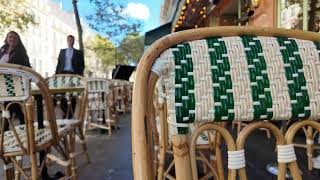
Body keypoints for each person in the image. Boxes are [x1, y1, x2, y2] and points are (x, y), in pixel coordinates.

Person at [0, 31, 31, 125]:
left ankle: (6, 130)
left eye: (15, 38)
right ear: (6, 38)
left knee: (11, 106)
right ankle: (23, 126)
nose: (12, 39)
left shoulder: (21, 51)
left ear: (18, 40)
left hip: (15, 82)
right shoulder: (2, 49)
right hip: (2, 82)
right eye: (10, 37)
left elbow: (27, 67)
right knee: (11, 107)